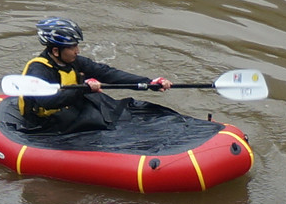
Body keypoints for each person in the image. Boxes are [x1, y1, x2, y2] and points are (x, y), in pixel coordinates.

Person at [16, 18, 172, 134]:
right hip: (44, 122)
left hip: (70, 108)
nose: (77, 51)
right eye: (72, 47)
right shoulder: (38, 70)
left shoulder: (75, 61)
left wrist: (149, 83)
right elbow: (49, 102)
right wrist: (84, 89)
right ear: (56, 51)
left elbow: (108, 73)